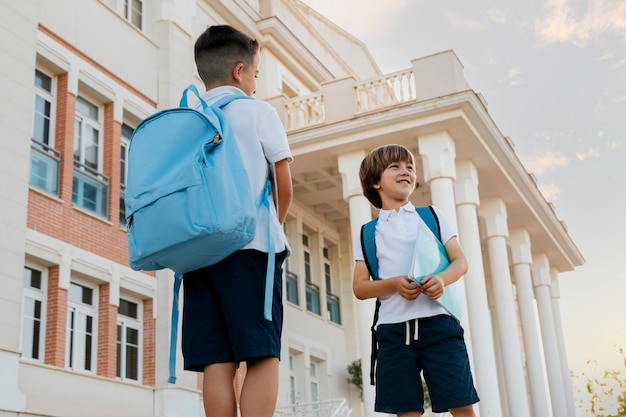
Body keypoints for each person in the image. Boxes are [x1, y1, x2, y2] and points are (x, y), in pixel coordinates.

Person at [181, 25, 293, 417]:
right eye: (256, 75)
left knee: (217, 360)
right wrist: (272, 226)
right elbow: (283, 184)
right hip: (251, 249)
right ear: (239, 70)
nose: (256, 85)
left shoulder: (186, 117)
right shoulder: (258, 112)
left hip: (197, 254)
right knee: (261, 353)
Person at [353, 144, 479, 416]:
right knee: (406, 412)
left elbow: (461, 261)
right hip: (393, 333)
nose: (405, 171)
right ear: (375, 182)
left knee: (462, 406)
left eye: (410, 166)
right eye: (395, 167)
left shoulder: (432, 216)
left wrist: (442, 280)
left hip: (440, 326)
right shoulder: (368, 232)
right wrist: (393, 284)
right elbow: (360, 287)